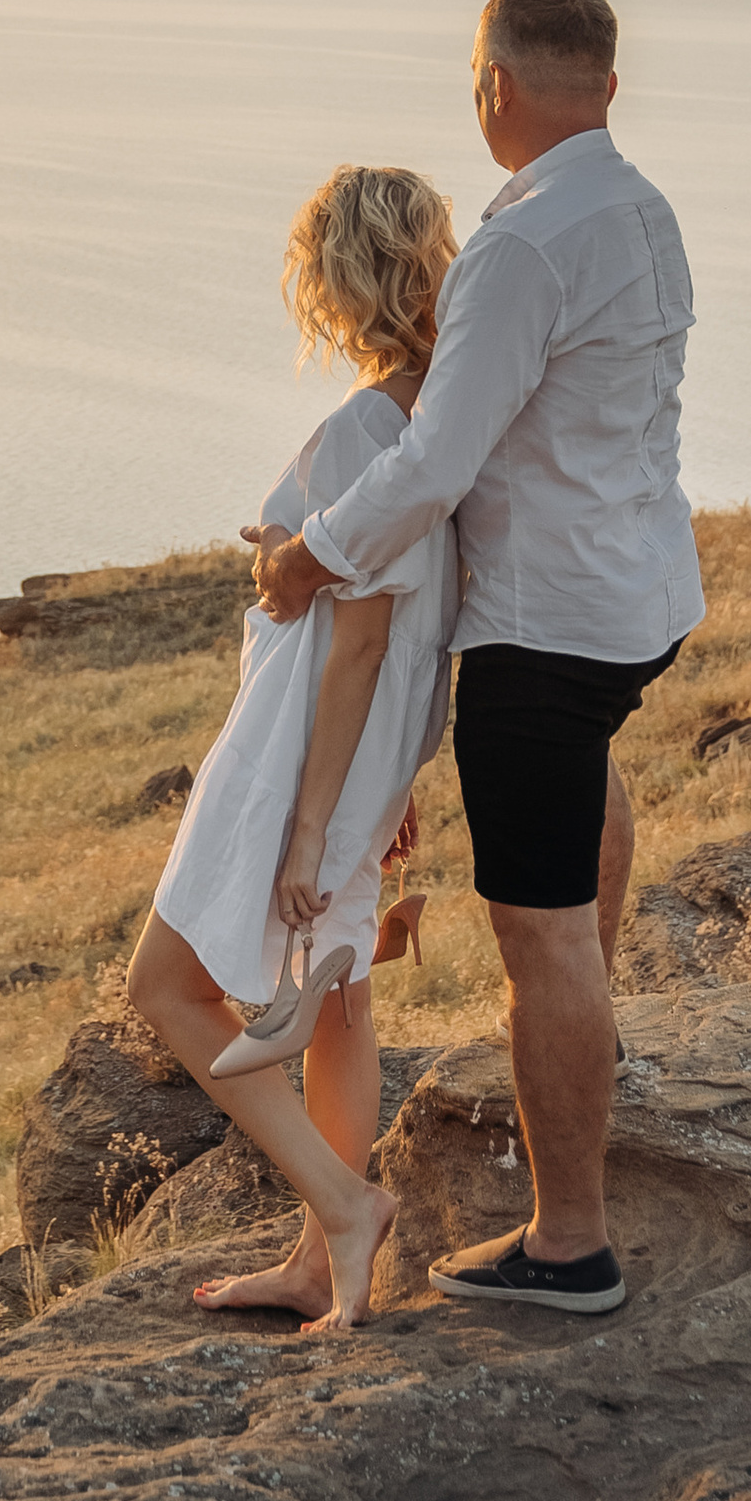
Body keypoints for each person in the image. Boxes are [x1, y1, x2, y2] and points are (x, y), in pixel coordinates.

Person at [254, 0, 700, 1319]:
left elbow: (436, 461)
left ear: (493, 89)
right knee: (589, 790)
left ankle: (571, 1244)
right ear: (607, 89)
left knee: (537, 932)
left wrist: (307, 556)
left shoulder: (521, 250)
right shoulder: (643, 213)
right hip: (633, 600)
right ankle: (594, 1037)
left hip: (546, 623)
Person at [125, 164, 462, 1335]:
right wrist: (394, 778)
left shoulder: (367, 426)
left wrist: (313, 819)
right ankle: (319, 1263)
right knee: (342, 1001)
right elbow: (411, 631)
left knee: (166, 987)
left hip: (296, 755)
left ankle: (342, 1205)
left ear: (334, 280)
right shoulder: (444, 419)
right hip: (363, 749)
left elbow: (362, 637)